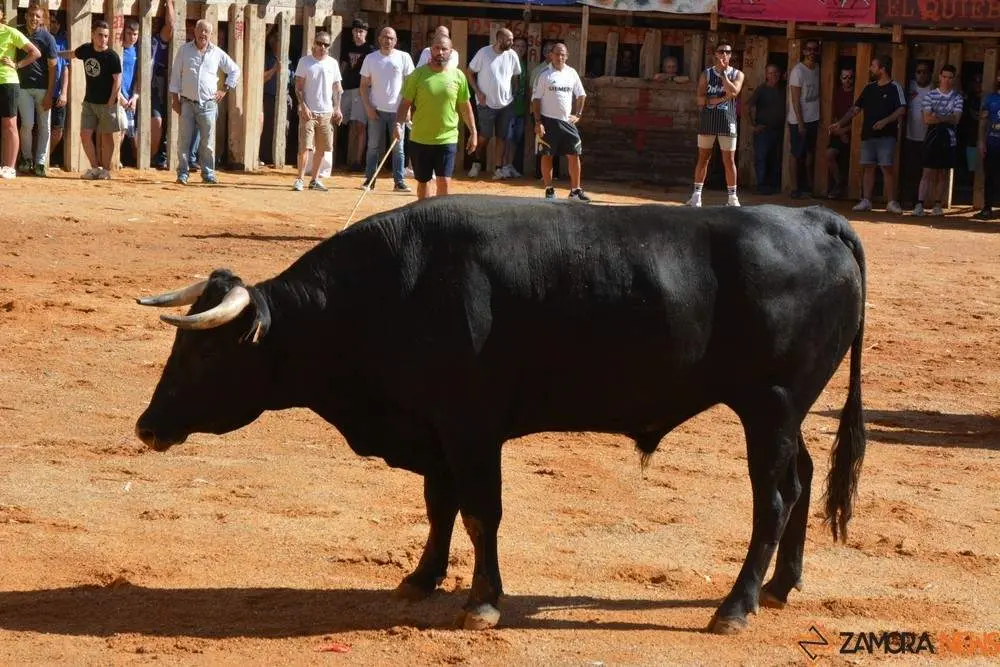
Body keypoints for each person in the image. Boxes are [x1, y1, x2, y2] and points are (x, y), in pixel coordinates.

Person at [394, 35, 476, 200]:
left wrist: (473, 131)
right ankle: (424, 219)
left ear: (451, 52)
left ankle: (441, 220)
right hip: (420, 138)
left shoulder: (458, 76)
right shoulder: (417, 75)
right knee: (423, 182)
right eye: (436, 48)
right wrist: (398, 124)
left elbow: (465, 107)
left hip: (447, 138)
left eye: (444, 49)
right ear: (430, 50)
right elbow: (405, 104)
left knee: (444, 181)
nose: (440, 52)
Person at [829, 56, 906, 214]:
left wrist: (886, 121)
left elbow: (902, 109)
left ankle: (891, 201)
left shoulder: (895, 87)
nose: (870, 68)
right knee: (868, 166)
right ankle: (866, 200)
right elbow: (855, 109)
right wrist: (840, 123)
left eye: (873, 66)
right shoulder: (869, 88)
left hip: (887, 136)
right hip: (868, 135)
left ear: (882, 69)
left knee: (886, 167)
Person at [168, 19, 240, 185]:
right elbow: (175, 76)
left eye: (206, 31)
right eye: (200, 30)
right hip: (186, 102)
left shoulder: (217, 53)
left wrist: (225, 89)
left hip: (208, 104)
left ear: (211, 34)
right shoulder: (184, 51)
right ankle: (183, 174)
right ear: (194, 32)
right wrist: (174, 99)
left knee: (207, 142)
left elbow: (235, 70)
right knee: (183, 141)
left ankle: (208, 174)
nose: (203, 34)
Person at [59, 20, 120, 180]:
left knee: (107, 136)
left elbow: (117, 81)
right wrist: (54, 53)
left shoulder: (112, 56)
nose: (103, 39)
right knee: (85, 134)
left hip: (107, 103)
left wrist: (111, 102)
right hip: (89, 101)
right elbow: (72, 54)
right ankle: (95, 168)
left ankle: (106, 170)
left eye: (106, 36)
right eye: (100, 35)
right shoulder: (86, 49)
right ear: (93, 35)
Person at [686, 41, 744, 207]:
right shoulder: (706, 74)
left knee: (729, 159)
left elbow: (734, 92)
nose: (724, 55)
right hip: (708, 119)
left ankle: (732, 197)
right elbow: (700, 98)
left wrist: (724, 76)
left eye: (728, 52)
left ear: (731, 55)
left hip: (728, 119)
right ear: (715, 54)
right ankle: (697, 195)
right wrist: (720, 99)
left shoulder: (737, 74)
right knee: (704, 157)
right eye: (721, 51)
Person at [532, 42, 589, 202]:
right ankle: (549, 189)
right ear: (551, 55)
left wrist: (577, 114)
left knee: (574, 154)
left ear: (567, 56)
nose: (560, 57)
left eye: (563, 54)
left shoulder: (572, 73)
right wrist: (538, 122)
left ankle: (575, 190)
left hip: (567, 122)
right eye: (557, 54)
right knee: (547, 155)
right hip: (548, 120)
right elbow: (536, 99)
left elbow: (581, 94)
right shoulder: (544, 74)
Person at [359, 27, 413, 192]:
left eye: (391, 38)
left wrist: (407, 109)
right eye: (385, 37)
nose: (387, 40)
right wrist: (368, 107)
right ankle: (370, 180)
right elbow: (363, 86)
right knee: (373, 146)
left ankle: (399, 181)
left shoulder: (404, 57)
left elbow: (410, 86)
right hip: (376, 110)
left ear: (396, 41)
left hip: (398, 111)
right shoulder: (370, 58)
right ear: (379, 39)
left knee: (398, 147)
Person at [467, 28, 521, 179]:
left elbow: (516, 76)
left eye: (512, 39)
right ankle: (476, 163)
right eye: (508, 39)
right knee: (484, 136)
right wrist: (477, 92)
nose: (512, 42)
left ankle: (498, 168)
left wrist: (513, 94)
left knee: (502, 137)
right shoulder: (483, 53)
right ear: (499, 39)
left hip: (506, 104)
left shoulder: (512, 55)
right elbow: (469, 72)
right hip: (486, 103)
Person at [292, 30, 342, 192]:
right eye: (319, 43)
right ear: (314, 43)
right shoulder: (305, 62)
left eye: (326, 45)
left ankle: (314, 179)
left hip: (326, 112)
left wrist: (337, 107)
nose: (322, 47)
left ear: (329, 47)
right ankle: (300, 179)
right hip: (309, 111)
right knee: (305, 146)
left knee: (322, 148)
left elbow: (337, 87)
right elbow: (298, 87)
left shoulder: (333, 63)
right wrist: (303, 106)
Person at [915, 64, 962, 217]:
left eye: (950, 77)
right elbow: (926, 119)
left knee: (942, 172)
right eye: (944, 77)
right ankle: (920, 204)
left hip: (948, 137)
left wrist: (937, 117)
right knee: (927, 171)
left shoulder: (957, 97)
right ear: (940, 77)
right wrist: (945, 118)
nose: (947, 80)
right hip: (932, 136)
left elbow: (956, 119)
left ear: (953, 79)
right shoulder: (930, 95)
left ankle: (937, 204)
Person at [15, 4, 57, 176]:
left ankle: (40, 162)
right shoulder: (18, 33)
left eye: (37, 16)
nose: (34, 19)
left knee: (45, 126)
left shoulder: (48, 38)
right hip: (23, 87)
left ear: (42, 19)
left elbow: (54, 68)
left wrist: (50, 93)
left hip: (42, 88)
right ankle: (26, 158)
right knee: (27, 124)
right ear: (26, 16)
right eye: (31, 15)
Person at [0, 11, 40, 180]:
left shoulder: (10, 32)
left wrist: (16, 64)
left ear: (1, 14)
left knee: (10, 124)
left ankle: (10, 167)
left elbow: (35, 52)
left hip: (8, 82)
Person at [787, 39, 820, 198]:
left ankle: (808, 185)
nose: (812, 52)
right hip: (798, 120)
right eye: (809, 49)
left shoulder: (817, 69)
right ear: (804, 51)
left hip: (813, 117)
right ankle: (794, 188)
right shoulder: (798, 71)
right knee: (796, 153)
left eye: (815, 49)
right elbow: (795, 99)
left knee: (809, 153)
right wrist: (800, 123)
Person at [340, 18, 373, 172]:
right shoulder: (347, 47)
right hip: (346, 88)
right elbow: (343, 66)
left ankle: (357, 161)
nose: (358, 34)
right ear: (352, 32)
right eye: (356, 31)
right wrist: (338, 85)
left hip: (361, 90)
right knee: (341, 121)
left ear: (366, 33)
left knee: (360, 125)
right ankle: (338, 157)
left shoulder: (370, 50)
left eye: (361, 31)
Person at [747, 63, 785, 195]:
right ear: (766, 75)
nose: (773, 75)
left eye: (775, 73)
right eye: (770, 73)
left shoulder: (783, 89)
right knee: (761, 158)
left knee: (776, 158)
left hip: (778, 130)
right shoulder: (761, 89)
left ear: (780, 74)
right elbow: (747, 107)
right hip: (763, 130)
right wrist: (752, 126)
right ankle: (761, 185)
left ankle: (773, 185)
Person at [903, 62, 933, 213]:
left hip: (928, 137)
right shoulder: (909, 86)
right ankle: (910, 199)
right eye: (918, 71)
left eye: (925, 72)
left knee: (926, 171)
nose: (921, 74)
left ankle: (923, 201)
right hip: (910, 135)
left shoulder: (933, 89)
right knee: (911, 170)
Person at [150, 0, 174, 169]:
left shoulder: (157, 40)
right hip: (131, 86)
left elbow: (171, 25)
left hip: (154, 85)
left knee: (158, 120)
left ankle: (152, 157)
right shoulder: (131, 38)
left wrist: (170, 2)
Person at [826, 68, 855, 198]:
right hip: (838, 132)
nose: (847, 80)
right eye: (845, 77)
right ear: (840, 78)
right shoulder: (835, 93)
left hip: (854, 133)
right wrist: (840, 132)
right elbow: (832, 115)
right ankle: (839, 183)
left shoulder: (857, 93)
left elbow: (859, 117)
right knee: (829, 154)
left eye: (850, 77)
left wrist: (846, 130)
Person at [975, 70, 1000, 220]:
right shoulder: (990, 99)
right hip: (992, 143)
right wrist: (981, 141)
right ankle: (987, 207)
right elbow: (983, 122)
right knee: (990, 176)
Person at [503, 36, 528, 180]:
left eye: (523, 46)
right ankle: (504, 166)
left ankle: (510, 164)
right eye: (517, 46)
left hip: (520, 107)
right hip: (509, 106)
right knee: (507, 137)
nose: (520, 49)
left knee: (515, 139)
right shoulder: (508, 62)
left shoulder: (523, 64)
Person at [47, 10, 69, 168]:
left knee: (58, 130)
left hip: (58, 93)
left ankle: (47, 157)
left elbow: (66, 68)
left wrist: (64, 92)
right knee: (39, 128)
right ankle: (38, 158)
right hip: (43, 91)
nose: (54, 25)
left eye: (57, 22)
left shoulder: (63, 41)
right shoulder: (41, 39)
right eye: (51, 21)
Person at [118, 19, 139, 165]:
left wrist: (135, 97)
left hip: (130, 99)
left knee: (131, 133)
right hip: (118, 97)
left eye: (135, 34)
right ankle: (114, 160)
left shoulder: (137, 51)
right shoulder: (118, 49)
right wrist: (119, 96)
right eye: (129, 33)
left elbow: (139, 76)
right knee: (120, 131)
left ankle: (138, 163)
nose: (132, 37)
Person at [260, 30, 280, 166]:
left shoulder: (289, 57)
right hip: (269, 96)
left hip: (285, 98)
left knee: (284, 127)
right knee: (267, 128)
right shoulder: (266, 57)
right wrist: (274, 69)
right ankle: (265, 156)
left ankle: (279, 156)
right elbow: (261, 77)